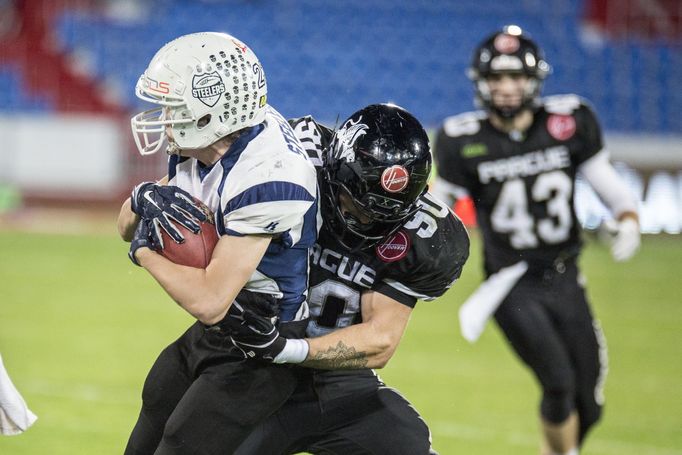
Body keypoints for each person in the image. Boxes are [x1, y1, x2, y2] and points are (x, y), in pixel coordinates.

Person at [430, 25, 641, 455]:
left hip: (566, 276)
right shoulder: (461, 139)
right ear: (481, 83)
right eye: (497, 79)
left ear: (534, 80)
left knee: (590, 403)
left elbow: (608, 183)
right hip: (510, 283)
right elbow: (437, 210)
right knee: (558, 383)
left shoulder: (569, 121)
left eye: (515, 78)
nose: (506, 88)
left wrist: (629, 217)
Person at [223, 103, 470, 454]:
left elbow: (380, 339)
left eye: (387, 214)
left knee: (408, 445)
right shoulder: (291, 163)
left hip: (337, 378)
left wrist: (287, 349)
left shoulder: (427, 238)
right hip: (250, 368)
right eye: (360, 205)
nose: (370, 221)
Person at [117, 32, 318, 454]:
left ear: (211, 113)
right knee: (158, 398)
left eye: (174, 110)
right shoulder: (206, 143)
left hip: (261, 339)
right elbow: (124, 224)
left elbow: (210, 300)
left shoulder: (267, 174)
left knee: (184, 440)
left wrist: (143, 252)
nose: (165, 120)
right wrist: (142, 197)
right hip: (219, 330)